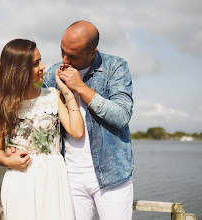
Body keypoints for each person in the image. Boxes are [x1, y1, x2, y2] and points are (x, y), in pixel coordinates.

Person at [42, 20, 134, 220]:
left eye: (72, 55)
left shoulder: (116, 67)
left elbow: (122, 116)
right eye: (62, 51)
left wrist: (80, 87)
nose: (64, 59)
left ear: (93, 52)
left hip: (112, 176)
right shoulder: (53, 73)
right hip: (68, 174)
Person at [0, 38, 84, 220]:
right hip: (21, 179)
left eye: (40, 60)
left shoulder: (52, 96)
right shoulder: (1, 106)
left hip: (54, 178)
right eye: (35, 63)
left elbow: (77, 131)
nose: (43, 67)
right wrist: (9, 162)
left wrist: (66, 91)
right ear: (19, 70)